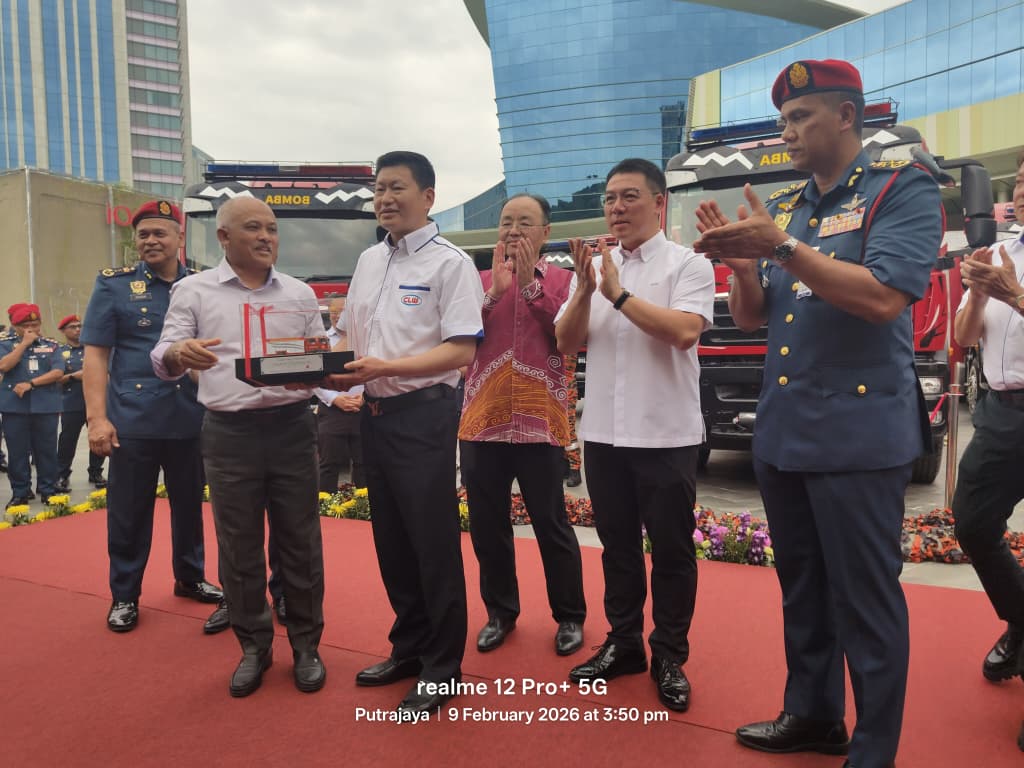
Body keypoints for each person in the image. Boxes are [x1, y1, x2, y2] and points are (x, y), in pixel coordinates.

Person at [694, 60, 942, 768]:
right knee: (802, 590)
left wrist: (778, 246)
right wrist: (746, 267)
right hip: (786, 430)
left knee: (865, 601)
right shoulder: (788, 207)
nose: (787, 132)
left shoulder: (901, 188)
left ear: (847, 116)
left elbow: (883, 297)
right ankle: (813, 714)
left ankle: (873, 752)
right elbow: (754, 317)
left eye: (800, 117)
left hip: (859, 437)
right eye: (783, 121)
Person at [554, 158, 713, 712]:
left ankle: (669, 654)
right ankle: (623, 643)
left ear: (659, 202)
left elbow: (684, 332)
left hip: (665, 433)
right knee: (617, 549)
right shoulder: (596, 268)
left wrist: (618, 294)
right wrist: (584, 289)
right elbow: (565, 342)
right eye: (610, 199)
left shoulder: (687, 265)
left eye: (629, 197)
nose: (616, 208)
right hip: (604, 433)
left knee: (671, 551)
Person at [152, 195, 327, 698]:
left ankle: (307, 645)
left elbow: (317, 355)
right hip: (229, 433)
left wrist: (320, 375)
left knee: (300, 543)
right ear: (224, 237)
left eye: (272, 228)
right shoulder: (193, 290)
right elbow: (164, 351)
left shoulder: (299, 293)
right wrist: (178, 353)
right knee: (238, 545)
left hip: (293, 428)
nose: (267, 237)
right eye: (254, 228)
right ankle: (254, 647)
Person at [333, 151, 482, 715]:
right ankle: (410, 647)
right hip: (373, 414)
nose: (385, 198)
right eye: (379, 189)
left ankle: (443, 668)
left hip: (423, 417)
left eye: (397, 187)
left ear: (428, 196)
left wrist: (386, 368)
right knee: (392, 541)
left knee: (432, 543)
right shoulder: (370, 259)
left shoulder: (451, 264)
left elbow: (461, 349)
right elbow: (347, 334)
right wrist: (330, 373)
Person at [82, 200, 222, 633]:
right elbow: (95, 355)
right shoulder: (114, 285)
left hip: (190, 415)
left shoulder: (201, 285)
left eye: (160, 232)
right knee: (129, 511)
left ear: (180, 237)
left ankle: (190, 576)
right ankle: (125, 593)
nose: (150, 241)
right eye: (143, 234)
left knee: (189, 505)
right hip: (134, 420)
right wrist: (97, 419)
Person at [458, 193, 587, 657]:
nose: (513, 230)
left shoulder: (567, 281)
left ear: (546, 232)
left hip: (540, 423)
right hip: (482, 421)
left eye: (525, 222)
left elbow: (568, 335)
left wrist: (530, 285)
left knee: (552, 522)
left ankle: (569, 615)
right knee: (487, 525)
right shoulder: (477, 280)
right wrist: (494, 293)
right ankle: (500, 613)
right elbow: (457, 335)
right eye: (507, 221)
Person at [950, 150, 1024, 689]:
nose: (1021, 193)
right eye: (1019, 182)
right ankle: (1021, 620)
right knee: (973, 522)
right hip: (1002, 413)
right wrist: (978, 294)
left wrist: (1015, 295)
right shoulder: (998, 252)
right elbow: (964, 336)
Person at [0, 303, 64, 507]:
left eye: (35, 325)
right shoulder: (5, 345)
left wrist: (31, 383)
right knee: (17, 452)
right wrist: (23, 344)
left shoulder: (51, 345)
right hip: (14, 408)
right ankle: (20, 492)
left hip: (46, 406)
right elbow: (4, 366)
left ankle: (48, 490)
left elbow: (58, 372)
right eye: (25, 325)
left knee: (46, 451)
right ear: (14, 326)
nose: (31, 329)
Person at [313, 296, 365, 492]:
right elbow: (312, 376)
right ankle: (325, 504)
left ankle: (364, 504)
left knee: (364, 462)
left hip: (363, 407)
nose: (337, 316)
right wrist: (334, 398)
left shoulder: (365, 340)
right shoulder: (321, 341)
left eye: (341, 311)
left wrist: (364, 397)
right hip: (332, 410)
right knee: (328, 463)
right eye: (333, 312)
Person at [55, 314, 106, 492]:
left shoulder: (93, 350)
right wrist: (73, 376)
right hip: (71, 401)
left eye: (79, 326)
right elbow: (55, 379)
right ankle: (62, 474)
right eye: (73, 327)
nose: (78, 330)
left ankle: (96, 472)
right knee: (67, 440)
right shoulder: (58, 352)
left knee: (99, 437)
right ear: (63, 331)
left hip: (96, 401)